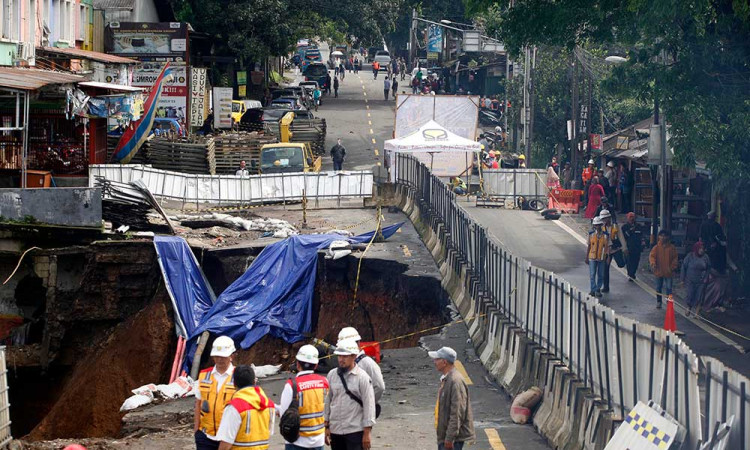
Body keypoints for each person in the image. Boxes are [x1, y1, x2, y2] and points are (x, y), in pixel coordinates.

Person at [325, 339, 376, 450]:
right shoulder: (332, 375)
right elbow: (327, 401)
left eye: (345, 356)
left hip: (355, 431)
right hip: (336, 431)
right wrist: (326, 426)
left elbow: (369, 405)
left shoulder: (362, 377)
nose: (341, 360)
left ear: (353, 356)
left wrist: (367, 433)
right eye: (339, 356)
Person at [277, 345, 329, 450]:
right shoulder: (324, 382)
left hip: (296, 442)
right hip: (318, 441)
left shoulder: (291, 386)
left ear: (297, 364)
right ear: (316, 365)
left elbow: (284, 415)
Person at [215, 365, 275, 450]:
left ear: (234, 384)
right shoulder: (269, 405)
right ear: (254, 381)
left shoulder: (234, 407)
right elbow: (269, 433)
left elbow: (225, 443)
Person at [194, 336, 237, 450]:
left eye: (223, 356)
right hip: (206, 436)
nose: (219, 359)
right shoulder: (203, 375)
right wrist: (196, 430)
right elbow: (198, 404)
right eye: (217, 356)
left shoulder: (239, 376)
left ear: (231, 356)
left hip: (230, 437)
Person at [429, 347, 475, 450]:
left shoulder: (455, 382)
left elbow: (457, 413)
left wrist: (449, 438)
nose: (434, 362)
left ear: (444, 362)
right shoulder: (447, 379)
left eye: (437, 359)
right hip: (446, 436)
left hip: (453, 440)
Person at [337, 327, 384, 403]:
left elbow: (379, 387)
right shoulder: (343, 364)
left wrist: (365, 404)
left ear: (357, 343)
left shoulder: (368, 363)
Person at [649, 230, 678, 309]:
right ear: (659, 237)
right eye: (661, 235)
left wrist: (672, 267)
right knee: (658, 288)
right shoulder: (656, 248)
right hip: (658, 271)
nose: (663, 237)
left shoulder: (672, 248)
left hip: (668, 272)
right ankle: (659, 302)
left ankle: (669, 302)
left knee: (669, 288)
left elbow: (675, 258)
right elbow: (652, 257)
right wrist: (653, 264)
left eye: (665, 236)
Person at [681, 242, 711, 316]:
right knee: (690, 294)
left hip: (701, 280)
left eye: (703, 249)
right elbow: (684, 267)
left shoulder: (706, 257)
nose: (702, 250)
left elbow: (708, 268)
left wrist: (706, 278)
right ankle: (688, 307)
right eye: (700, 249)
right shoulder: (690, 256)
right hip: (690, 279)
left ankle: (697, 313)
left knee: (699, 296)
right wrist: (682, 279)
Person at [585, 216, 609, 297]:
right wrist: (586, 257)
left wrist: (607, 257)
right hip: (592, 257)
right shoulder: (591, 234)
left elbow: (607, 247)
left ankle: (597, 289)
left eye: (599, 225)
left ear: (601, 225)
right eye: (596, 225)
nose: (597, 226)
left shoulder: (606, 235)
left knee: (601, 275)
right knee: (592, 274)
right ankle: (593, 289)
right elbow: (589, 246)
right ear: (594, 226)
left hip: (601, 258)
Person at [599, 210, 620, 293]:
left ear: (609, 218)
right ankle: (606, 286)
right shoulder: (601, 227)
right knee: (605, 268)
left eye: (605, 219)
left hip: (616, 249)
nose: (604, 221)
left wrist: (624, 248)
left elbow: (620, 237)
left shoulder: (615, 226)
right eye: (602, 219)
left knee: (621, 263)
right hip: (606, 250)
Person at [621, 212, 645, 280]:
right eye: (630, 217)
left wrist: (643, 242)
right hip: (629, 247)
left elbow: (642, 235)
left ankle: (633, 273)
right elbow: (624, 237)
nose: (632, 218)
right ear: (627, 218)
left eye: (633, 217)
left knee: (636, 261)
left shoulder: (639, 226)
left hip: (637, 247)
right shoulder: (624, 227)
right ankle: (630, 273)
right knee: (629, 261)